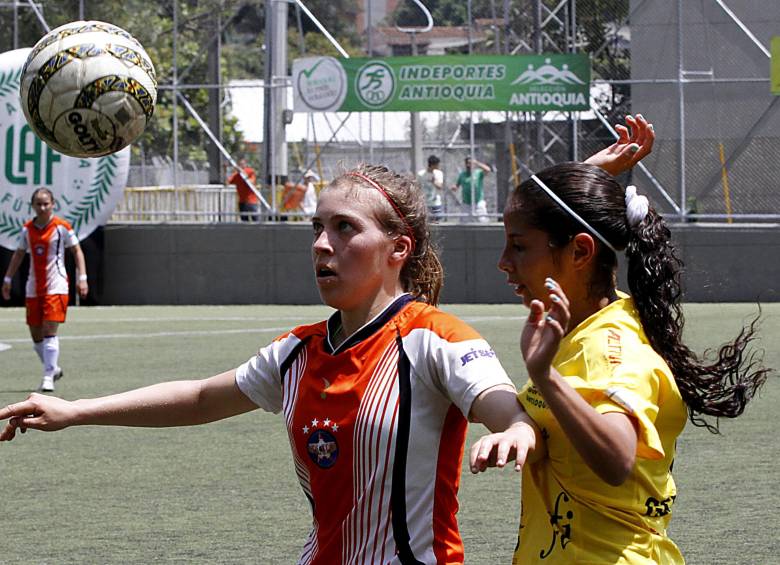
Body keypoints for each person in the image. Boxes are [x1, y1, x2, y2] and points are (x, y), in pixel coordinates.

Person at [0, 164, 542, 564]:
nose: (322, 244)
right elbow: (200, 398)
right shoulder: (297, 351)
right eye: (317, 228)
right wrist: (76, 411)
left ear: (398, 248)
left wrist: (516, 427)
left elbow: (502, 406)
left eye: (345, 228)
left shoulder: (435, 338)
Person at [469, 161, 768, 564]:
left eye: (518, 246)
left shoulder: (612, 347)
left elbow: (616, 458)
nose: (504, 261)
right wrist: (588, 178)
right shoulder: (592, 322)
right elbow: (564, 216)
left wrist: (545, 377)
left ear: (580, 251)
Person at [1, 188, 89, 393]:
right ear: (32, 205)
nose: (42, 208)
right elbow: (19, 254)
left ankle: (48, 376)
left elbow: (77, 251)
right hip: (33, 286)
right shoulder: (27, 229)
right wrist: (7, 279)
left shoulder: (62, 227)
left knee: (49, 330)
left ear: (53, 204)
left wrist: (82, 277)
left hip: (56, 285)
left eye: (46, 203)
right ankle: (54, 368)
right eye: (38, 204)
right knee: (36, 334)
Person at [451, 156, 491, 223]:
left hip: (478, 203)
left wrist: (476, 162)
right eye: (467, 163)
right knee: (465, 223)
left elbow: (488, 170)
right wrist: (454, 187)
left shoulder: (478, 173)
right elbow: (457, 185)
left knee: (482, 221)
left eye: (470, 163)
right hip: (466, 204)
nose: (469, 165)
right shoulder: (462, 175)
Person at [227, 158, 259, 222]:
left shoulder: (250, 171)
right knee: (244, 221)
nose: (241, 166)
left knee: (255, 220)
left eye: (242, 164)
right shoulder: (236, 175)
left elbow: (251, 181)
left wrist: (243, 173)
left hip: (252, 202)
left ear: (245, 164)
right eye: (239, 164)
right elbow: (227, 182)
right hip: (242, 202)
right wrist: (225, 171)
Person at [417, 155, 445, 222]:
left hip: (435, 203)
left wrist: (434, 182)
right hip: (425, 203)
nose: (438, 166)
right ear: (432, 165)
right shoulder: (420, 174)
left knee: (437, 222)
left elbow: (440, 187)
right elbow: (418, 187)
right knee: (425, 223)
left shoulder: (439, 173)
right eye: (437, 165)